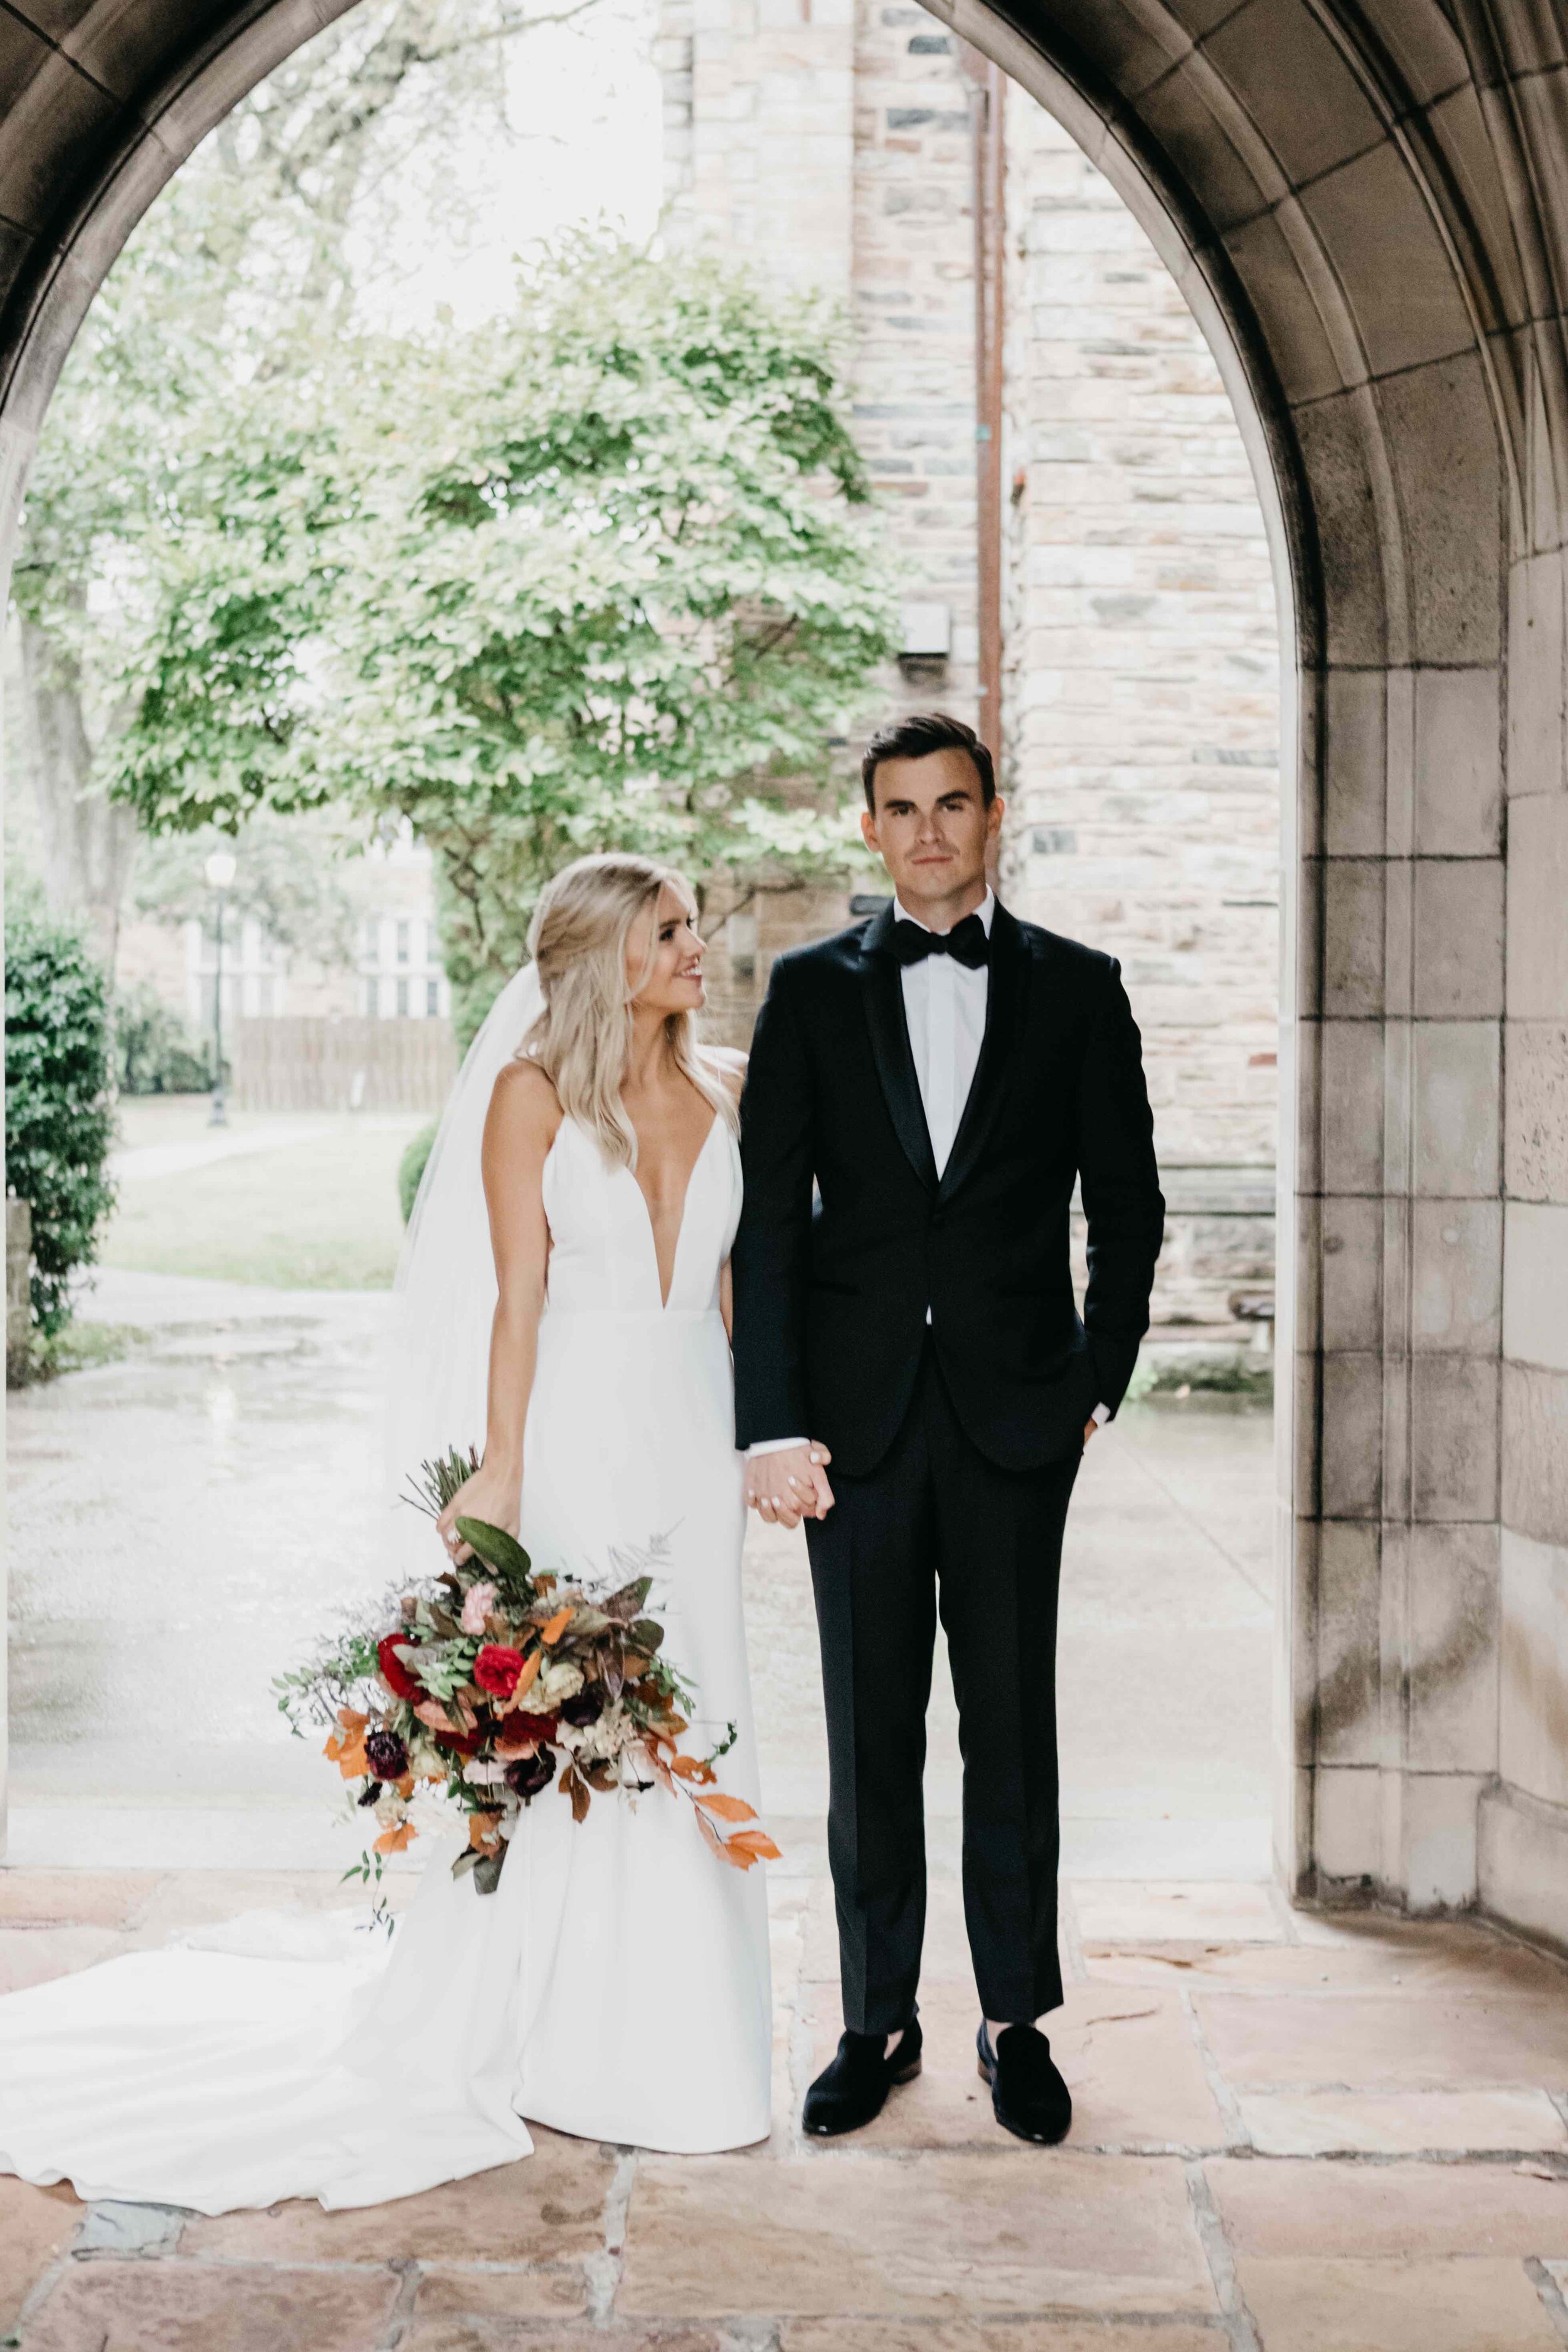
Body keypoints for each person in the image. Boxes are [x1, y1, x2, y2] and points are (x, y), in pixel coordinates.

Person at [0, 852, 771, 2212]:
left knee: (695, 1710)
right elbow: (515, 1302)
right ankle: (563, 2038)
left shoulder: (725, 1089)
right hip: (582, 1440)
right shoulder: (531, 1097)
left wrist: (769, 1432)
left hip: (695, 1444)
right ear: (606, 957)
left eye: (692, 928)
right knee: (578, 1721)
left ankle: (688, 2039)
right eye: (669, 930)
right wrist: (505, 1472)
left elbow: (727, 1294)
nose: (697, 948)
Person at [732, 711, 1164, 2146]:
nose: (926, 830)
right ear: (868, 827)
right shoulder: (804, 994)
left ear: (992, 817)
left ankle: (1011, 2020)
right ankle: (875, 2018)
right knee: (869, 1737)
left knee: (1010, 1732)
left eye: (950, 804)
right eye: (900, 808)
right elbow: (771, 1234)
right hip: (850, 1433)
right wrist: (770, 1423)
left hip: (1013, 1424)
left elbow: (1129, 1206)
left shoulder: (1080, 990)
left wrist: (1093, 1378)